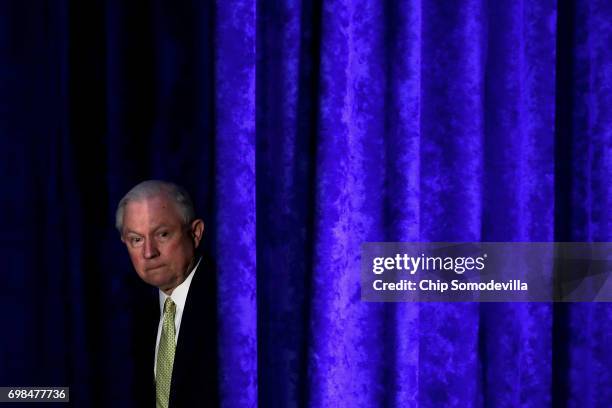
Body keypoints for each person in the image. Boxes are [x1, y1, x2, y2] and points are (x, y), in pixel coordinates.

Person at [116, 180, 218, 408]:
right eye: (136, 240)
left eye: (162, 234)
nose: (149, 252)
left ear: (195, 233)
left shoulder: (229, 303)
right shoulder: (130, 316)